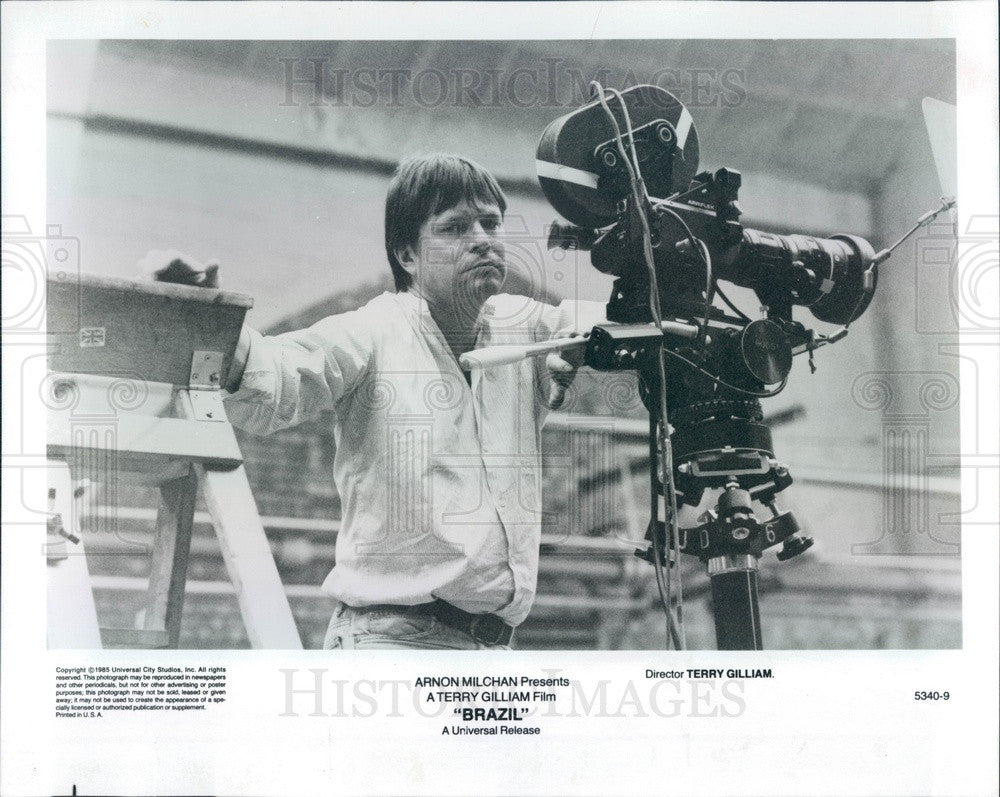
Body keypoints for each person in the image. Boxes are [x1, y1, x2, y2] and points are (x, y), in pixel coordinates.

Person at [151, 153, 604, 650]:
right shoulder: (371, 332)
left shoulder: (526, 325)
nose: (482, 240)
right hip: (392, 646)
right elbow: (279, 376)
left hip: (492, 652)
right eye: (453, 228)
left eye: (491, 224)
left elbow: (622, 323)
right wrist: (211, 319)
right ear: (407, 256)